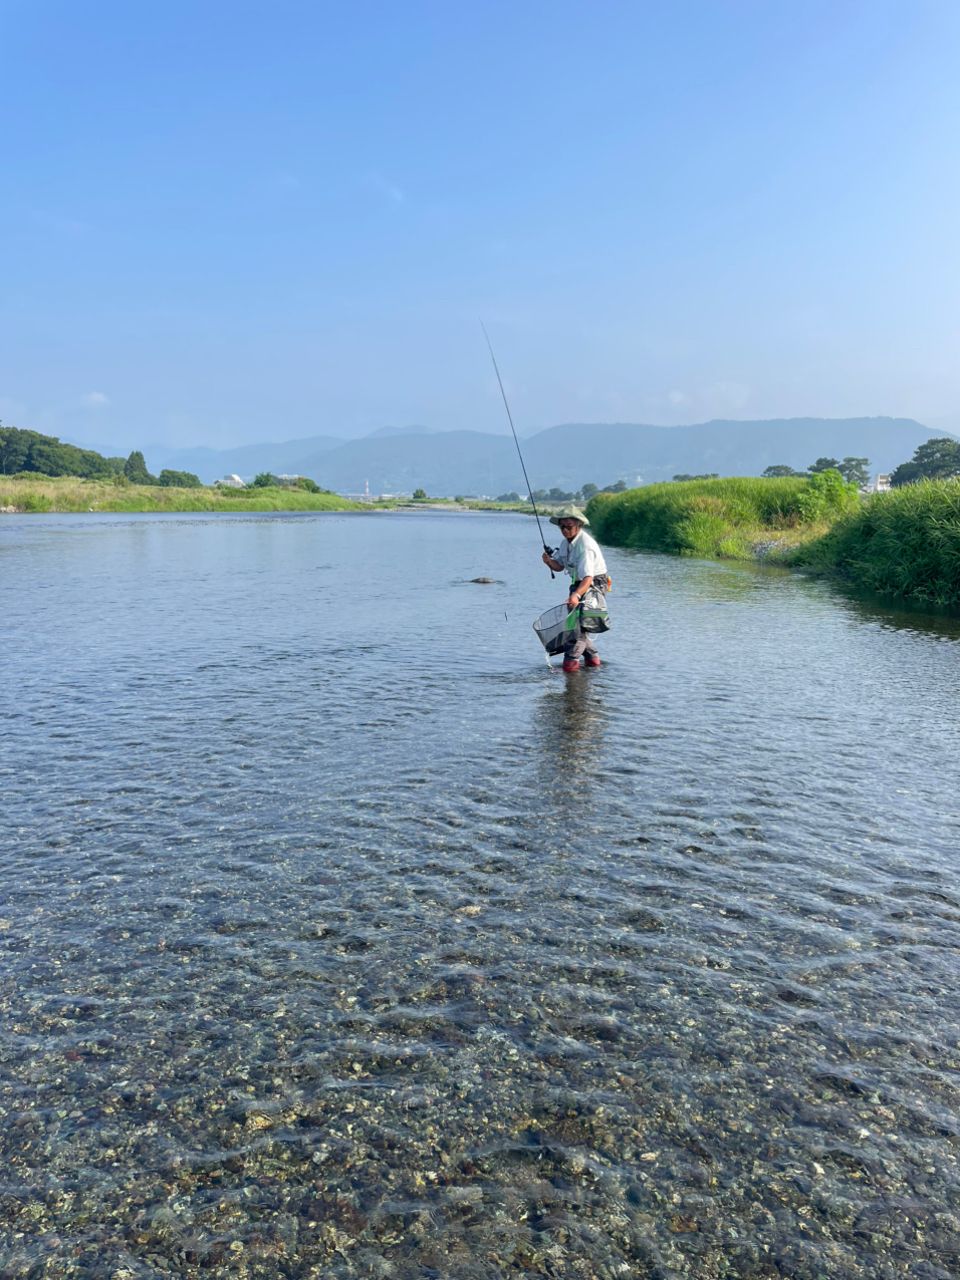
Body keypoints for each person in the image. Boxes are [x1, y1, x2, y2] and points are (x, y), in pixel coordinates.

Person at [541, 507, 609, 672]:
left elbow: (588, 578)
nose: (565, 530)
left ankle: (570, 665)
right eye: (562, 526)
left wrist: (576, 595)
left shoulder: (585, 546)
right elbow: (559, 566)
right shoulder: (565, 543)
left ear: (579, 525)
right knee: (578, 626)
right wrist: (549, 562)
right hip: (578, 584)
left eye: (569, 526)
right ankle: (593, 662)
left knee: (577, 630)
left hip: (593, 586)